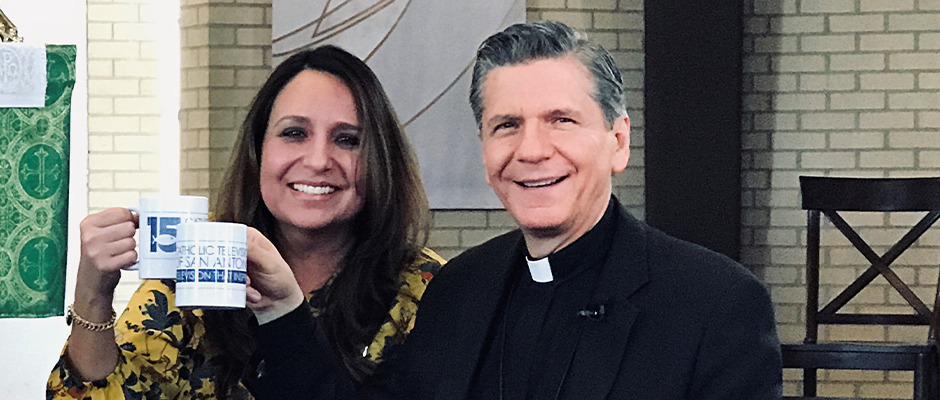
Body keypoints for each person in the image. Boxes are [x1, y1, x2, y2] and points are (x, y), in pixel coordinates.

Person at [239, 21, 783, 400]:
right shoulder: (458, 289)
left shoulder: (715, 303)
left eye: (561, 120)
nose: (531, 150)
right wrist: (282, 307)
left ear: (618, 142)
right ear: (484, 150)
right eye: (507, 125)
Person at [46, 45, 445, 399]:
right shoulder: (197, 259)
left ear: (381, 161)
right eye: (294, 133)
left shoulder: (429, 290)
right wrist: (93, 297)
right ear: (258, 151)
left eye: (347, 140)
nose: (319, 160)